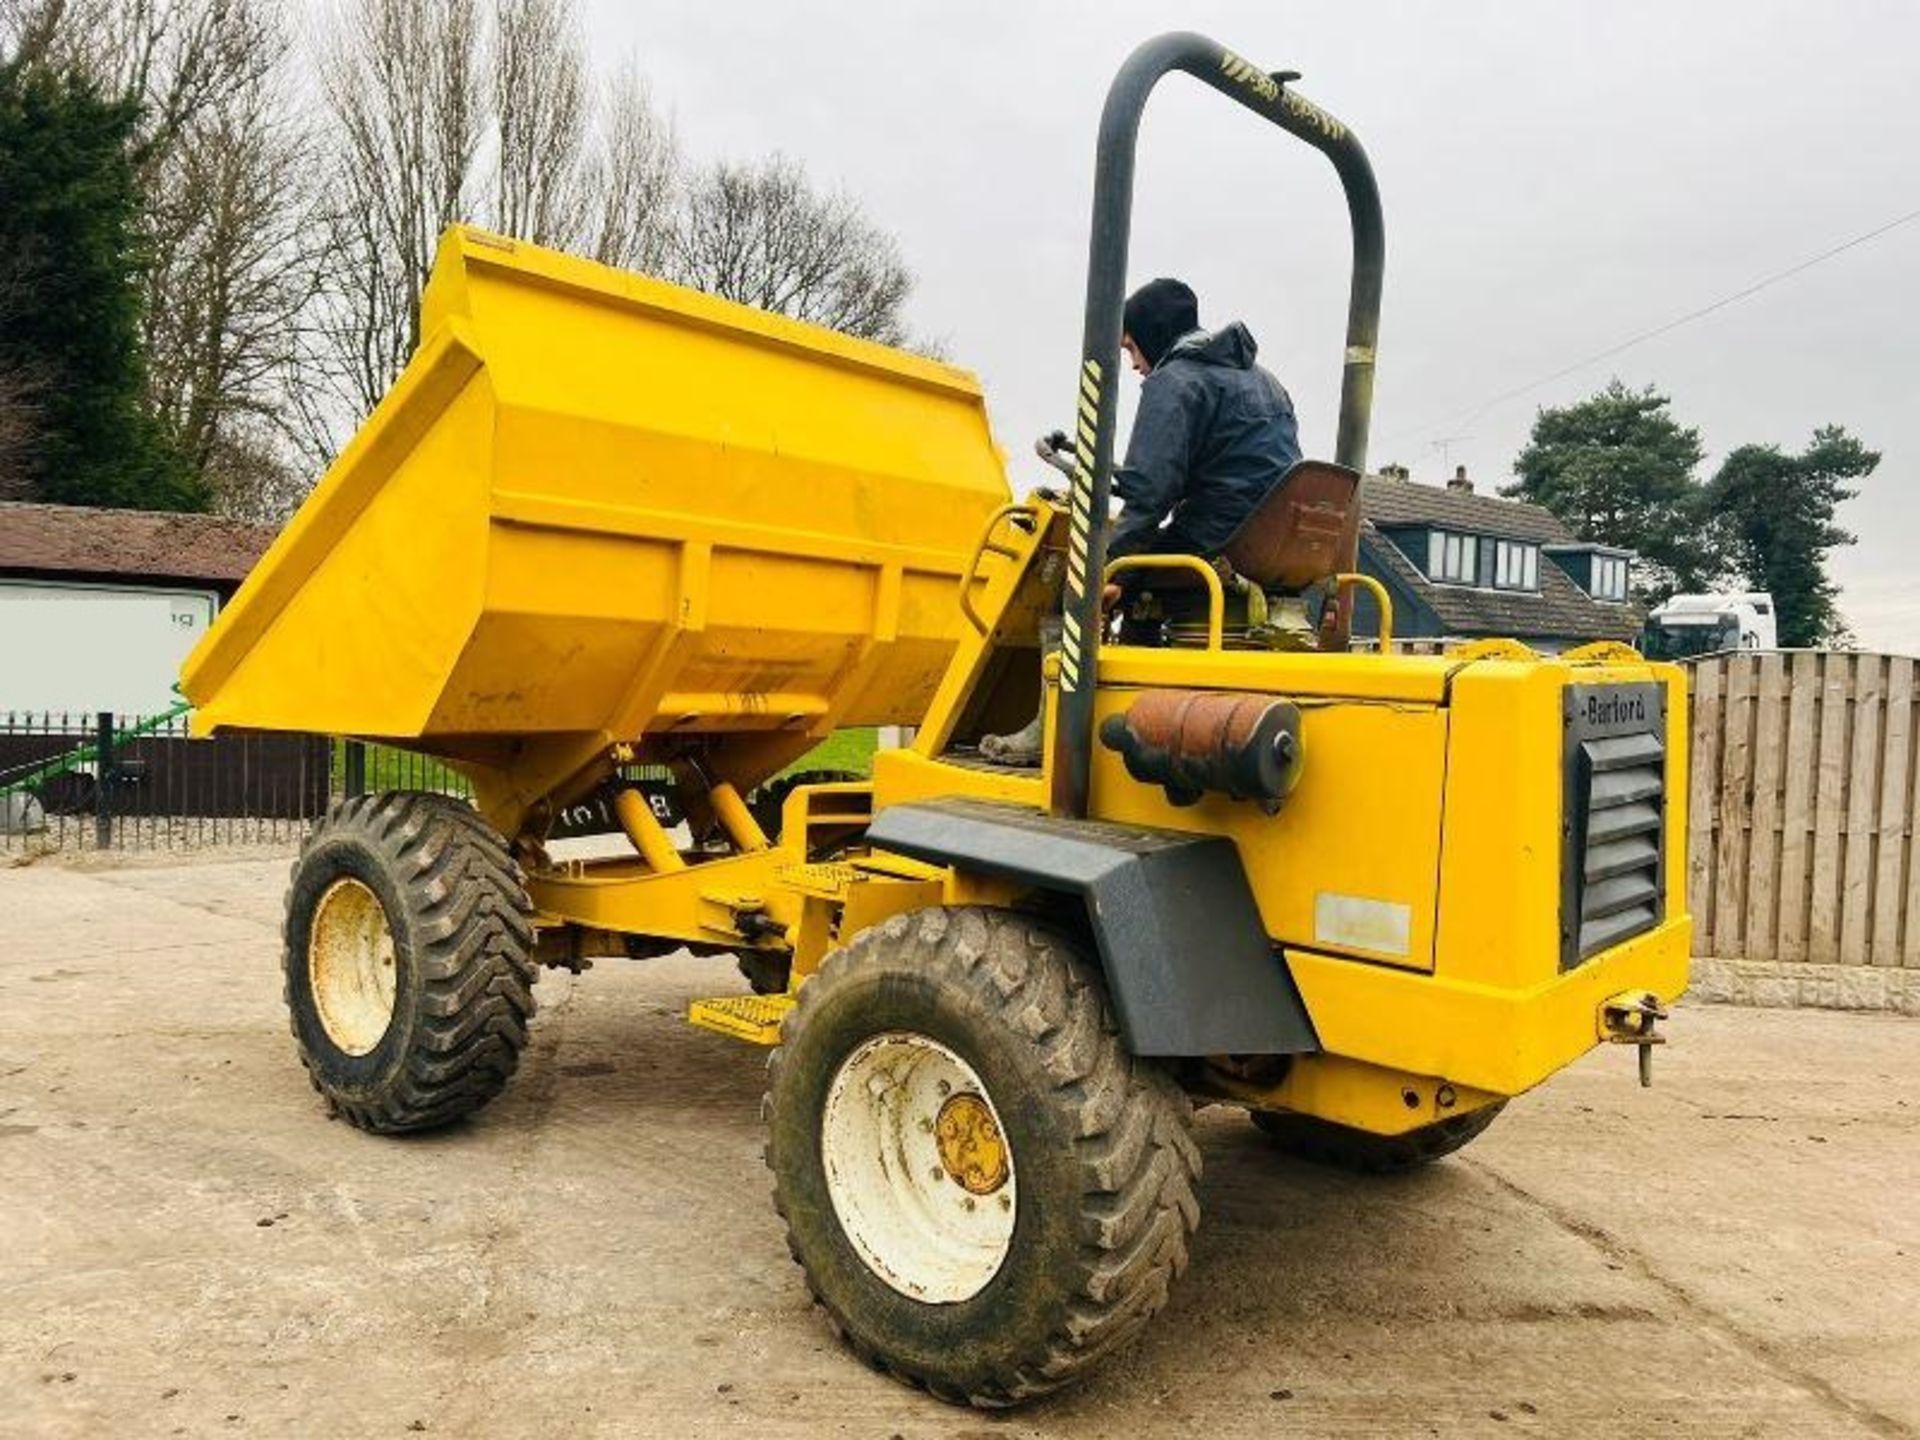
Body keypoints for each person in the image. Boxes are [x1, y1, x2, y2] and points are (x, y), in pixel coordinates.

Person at [980, 278, 1302, 764]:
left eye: (1132, 348)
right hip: (1275, 548)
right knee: (1133, 570)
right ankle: (1137, 706)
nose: (1133, 364)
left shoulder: (1176, 382)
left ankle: (1056, 730)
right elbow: (1175, 475)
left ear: (1153, 333)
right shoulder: (1264, 381)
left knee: (1083, 583)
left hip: (1217, 541)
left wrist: (1112, 571)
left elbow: (1149, 497)